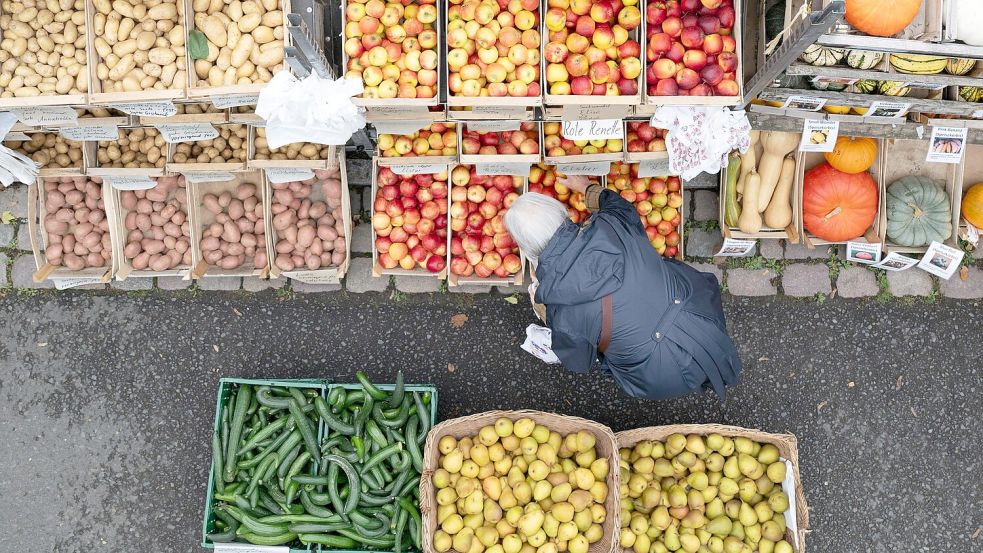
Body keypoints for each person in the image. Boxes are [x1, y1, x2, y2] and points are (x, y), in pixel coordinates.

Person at [504, 176, 741, 401]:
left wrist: (546, 313)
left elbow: (579, 361)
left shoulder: (561, 311)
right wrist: (587, 187)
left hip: (657, 377)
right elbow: (616, 204)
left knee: (600, 339)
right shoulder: (612, 223)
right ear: (561, 213)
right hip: (702, 318)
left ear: (527, 249)